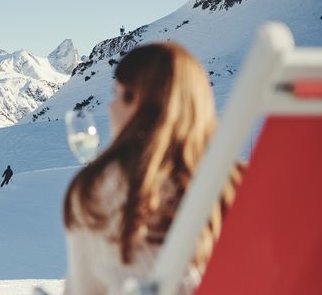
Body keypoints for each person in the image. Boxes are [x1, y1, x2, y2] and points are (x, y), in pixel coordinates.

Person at [62, 43, 243, 294]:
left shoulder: (98, 191)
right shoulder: (238, 184)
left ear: (139, 104)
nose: (110, 107)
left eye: (119, 94)